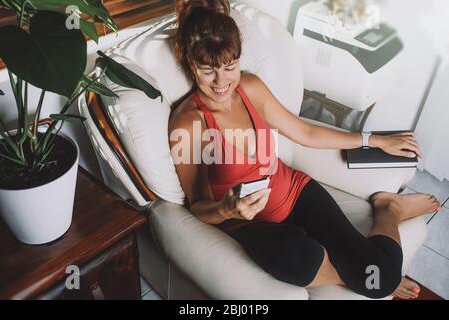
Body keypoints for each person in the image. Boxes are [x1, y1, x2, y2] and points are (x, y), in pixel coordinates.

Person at [169, 0, 441, 299]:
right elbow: (197, 205)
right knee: (301, 259)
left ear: (238, 60)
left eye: (230, 68)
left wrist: (373, 139)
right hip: (248, 223)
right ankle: (363, 276)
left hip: (295, 192)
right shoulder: (187, 122)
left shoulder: (250, 87)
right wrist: (227, 208)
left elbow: (305, 132)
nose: (222, 82)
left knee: (380, 279)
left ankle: (389, 209)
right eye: (208, 71)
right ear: (191, 64)